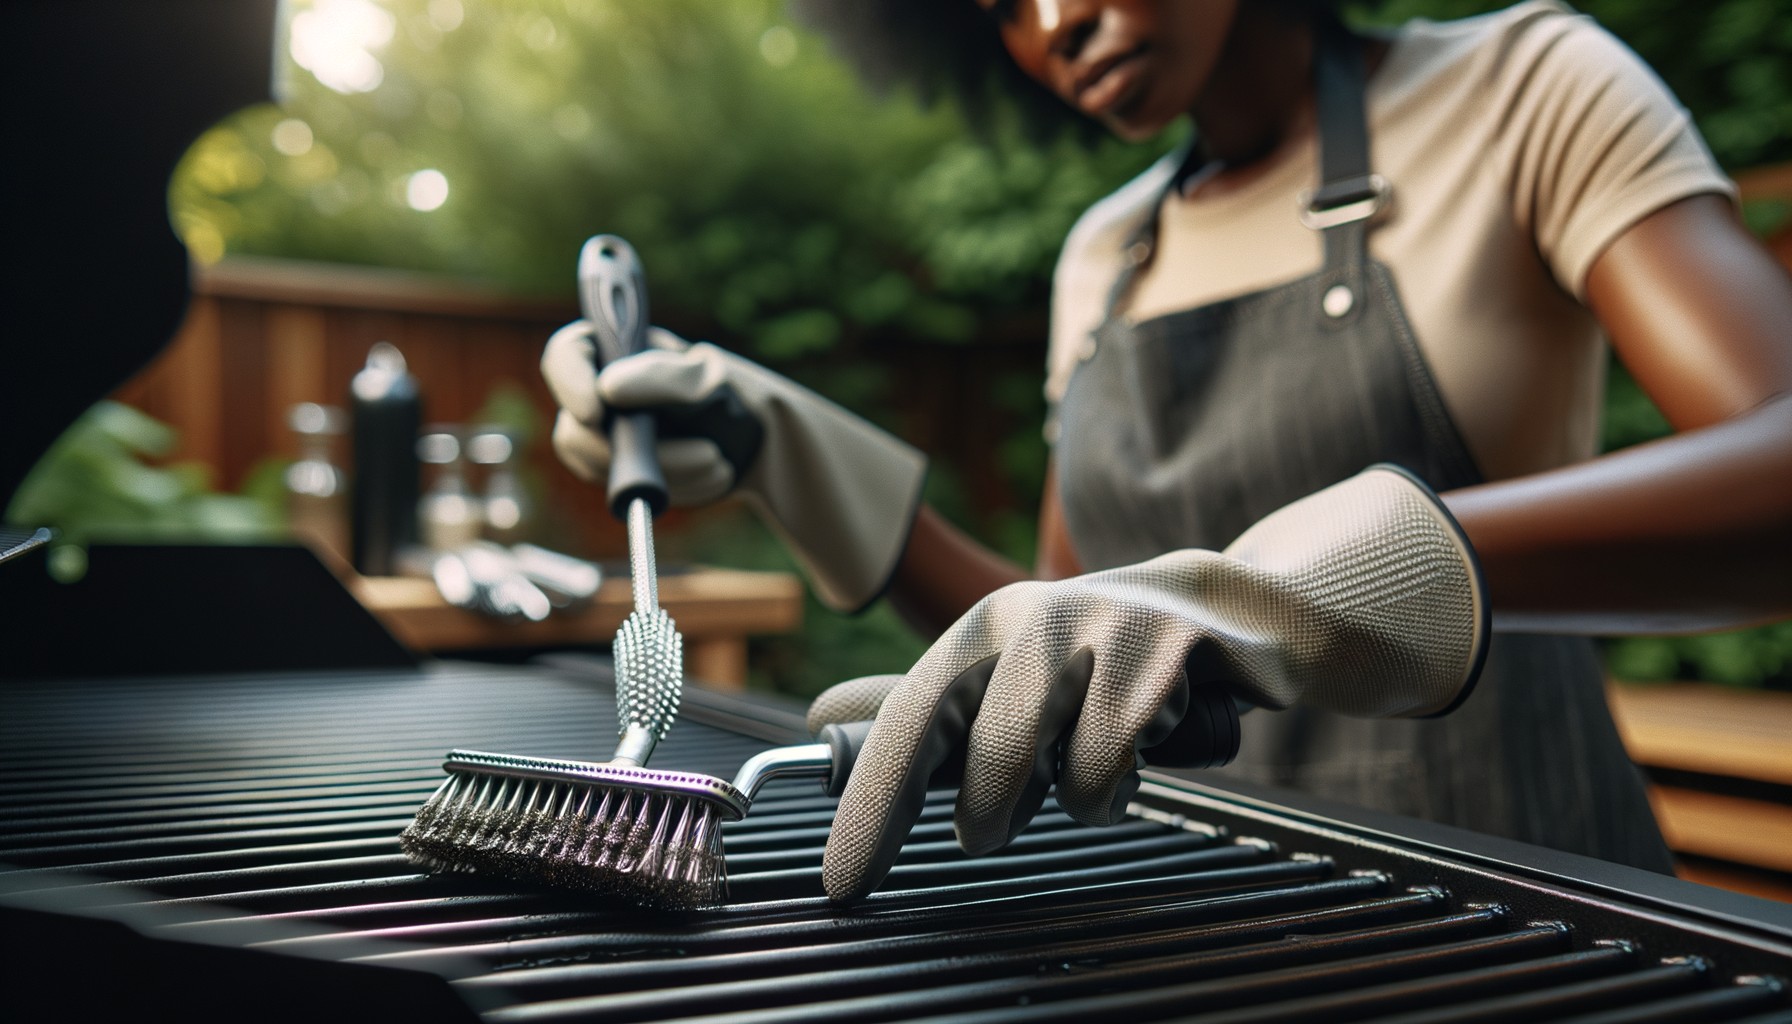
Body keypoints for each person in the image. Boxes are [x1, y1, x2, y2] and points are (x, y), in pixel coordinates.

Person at [541, 0, 1792, 902]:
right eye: (1001, 10)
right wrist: (796, 456)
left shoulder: (1525, 89)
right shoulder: (1103, 254)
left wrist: (1317, 589)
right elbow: (1059, 640)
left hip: (1516, 894)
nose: (1051, 24)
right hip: (1195, 912)